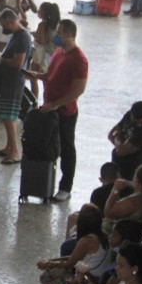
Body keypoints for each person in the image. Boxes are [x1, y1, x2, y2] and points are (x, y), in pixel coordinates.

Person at [28, 19, 88, 200]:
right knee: (48, 145)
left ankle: (65, 187)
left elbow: (78, 89)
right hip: (50, 109)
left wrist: (57, 104)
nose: (56, 35)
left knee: (66, 148)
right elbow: (51, 75)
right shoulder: (59, 52)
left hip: (65, 112)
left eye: (60, 32)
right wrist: (37, 76)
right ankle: (45, 181)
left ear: (70, 35)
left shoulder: (79, 59)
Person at [0, 9, 32, 164]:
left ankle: (15, 152)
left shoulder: (23, 38)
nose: (4, 29)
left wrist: (0, 60)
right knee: (7, 115)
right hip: (9, 80)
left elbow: (18, 63)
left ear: (12, 22)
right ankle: (9, 147)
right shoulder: (16, 35)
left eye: (5, 26)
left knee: (9, 117)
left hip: (14, 81)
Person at [108, 102, 142, 179]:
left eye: (141, 122)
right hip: (116, 166)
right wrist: (120, 145)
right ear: (131, 114)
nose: (138, 125)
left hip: (132, 172)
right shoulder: (128, 115)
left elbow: (121, 151)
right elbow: (111, 134)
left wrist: (117, 137)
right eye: (135, 122)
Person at [103, 163, 142, 229]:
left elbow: (108, 211)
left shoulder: (136, 200)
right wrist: (128, 183)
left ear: (137, 179)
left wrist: (115, 189)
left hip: (125, 235)